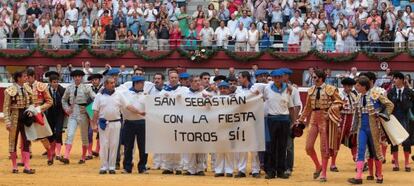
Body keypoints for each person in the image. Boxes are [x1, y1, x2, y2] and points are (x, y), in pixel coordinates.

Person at [296, 69, 343, 182]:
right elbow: (307, 107)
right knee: (308, 147)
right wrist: (301, 120)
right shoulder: (311, 90)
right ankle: (318, 166)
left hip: (325, 119)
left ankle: (324, 173)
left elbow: (340, 103)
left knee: (324, 147)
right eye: (313, 77)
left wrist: (330, 112)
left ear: (321, 78)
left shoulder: (330, 89)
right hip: (314, 118)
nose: (313, 79)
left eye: (315, 77)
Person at [347, 76, 394, 184]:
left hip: (374, 128)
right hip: (362, 128)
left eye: (358, 85)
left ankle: (380, 175)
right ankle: (358, 177)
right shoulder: (358, 97)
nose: (356, 87)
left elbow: (390, 105)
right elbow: (356, 115)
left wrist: (384, 115)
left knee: (377, 152)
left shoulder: (375, 94)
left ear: (364, 86)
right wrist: (353, 129)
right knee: (360, 150)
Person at [255, 69, 294, 179]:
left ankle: (280, 170)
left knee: (282, 146)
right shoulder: (267, 88)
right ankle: (270, 171)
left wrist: (294, 121)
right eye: (275, 77)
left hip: (285, 120)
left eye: (279, 77)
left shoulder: (288, 89)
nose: (277, 79)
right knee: (271, 146)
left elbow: (291, 107)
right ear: (272, 78)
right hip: (271, 120)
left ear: (282, 78)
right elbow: (257, 94)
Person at [61, 70, 96, 165]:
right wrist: (67, 108)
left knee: (84, 136)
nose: (77, 78)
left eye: (79, 76)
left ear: (81, 77)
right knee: (70, 134)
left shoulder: (86, 88)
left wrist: (89, 109)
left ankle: (83, 157)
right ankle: (66, 156)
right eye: (75, 76)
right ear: (73, 77)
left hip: (83, 114)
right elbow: (63, 100)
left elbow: (95, 99)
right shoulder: (69, 88)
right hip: (72, 114)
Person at [3, 70, 35, 174]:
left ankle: (27, 166)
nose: (26, 78)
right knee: (13, 141)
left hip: (25, 117)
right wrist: (7, 122)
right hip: (14, 118)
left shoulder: (27, 88)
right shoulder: (10, 90)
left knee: (26, 141)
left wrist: (30, 110)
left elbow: (32, 103)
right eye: (24, 76)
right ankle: (14, 166)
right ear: (18, 78)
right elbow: (6, 108)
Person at [92, 77, 124, 174]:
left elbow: (126, 106)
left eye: (114, 82)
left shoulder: (119, 94)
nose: (113, 84)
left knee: (114, 145)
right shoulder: (99, 96)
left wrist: (139, 112)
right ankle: (103, 166)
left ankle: (112, 167)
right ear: (105, 84)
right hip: (103, 123)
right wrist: (94, 124)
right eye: (110, 83)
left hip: (116, 123)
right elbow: (95, 111)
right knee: (104, 145)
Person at [234, 71, 260, 178]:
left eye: (240, 78)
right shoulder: (238, 90)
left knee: (254, 146)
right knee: (242, 146)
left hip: (253, 120)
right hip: (241, 120)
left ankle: (255, 170)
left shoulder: (255, 88)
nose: (238, 79)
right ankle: (242, 170)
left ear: (245, 78)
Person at [387, 72, 414, 172]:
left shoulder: (409, 92)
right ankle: (396, 163)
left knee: (406, 141)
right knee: (394, 141)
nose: (395, 80)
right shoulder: (391, 92)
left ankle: (407, 163)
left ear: (402, 80)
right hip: (394, 119)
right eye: (394, 78)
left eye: (397, 78)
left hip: (405, 118)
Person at [26, 69, 53, 165]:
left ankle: (50, 154)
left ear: (33, 76)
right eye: (25, 77)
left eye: (28, 77)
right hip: (27, 114)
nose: (26, 79)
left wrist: (39, 109)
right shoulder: (24, 86)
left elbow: (50, 101)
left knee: (42, 137)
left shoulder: (41, 86)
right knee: (25, 137)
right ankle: (26, 158)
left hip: (38, 114)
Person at [121, 76, 148, 174]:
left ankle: (142, 167)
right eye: (141, 83)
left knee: (144, 147)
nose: (143, 85)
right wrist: (139, 112)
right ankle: (127, 167)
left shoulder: (146, 94)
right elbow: (128, 106)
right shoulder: (125, 93)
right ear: (136, 83)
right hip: (129, 122)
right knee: (128, 147)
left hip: (142, 123)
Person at [331, 78, 358, 171]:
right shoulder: (339, 96)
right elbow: (335, 110)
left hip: (351, 120)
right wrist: (338, 124)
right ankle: (332, 164)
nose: (350, 88)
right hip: (342, 119)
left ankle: (357, 161)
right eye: (348, 86)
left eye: (351, 86)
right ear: (344, 86)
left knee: (353, 140)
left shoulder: (354, 95)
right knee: (337, 141)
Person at [214, 81, 235, 177]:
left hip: (230, 127)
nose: (222, 90)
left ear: (228, 89)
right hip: (217, 127)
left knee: (229, 150)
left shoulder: (234, 99)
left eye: (225, 88)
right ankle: (219, 170)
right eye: (221, 88)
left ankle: (229, 170)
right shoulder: (214, 99)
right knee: (219, 150)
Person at [45, 71, 66, 164]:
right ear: (50, 82)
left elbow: (66, 101)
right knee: (50, 133)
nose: (56, 83)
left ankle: (58, 153)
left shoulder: (62, 90)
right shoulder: (46, 90)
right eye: (54, 82)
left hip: (59, 113)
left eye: (57, 82)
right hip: (49, 113)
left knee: (58, 132)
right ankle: (52, 150)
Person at [88, 73, 103, 157]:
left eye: (96, 80)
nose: (94, 81)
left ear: (99, 80)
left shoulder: (103, 89)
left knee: (101, 132)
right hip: (91, 113)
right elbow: (87, 102)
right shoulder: (88, 89)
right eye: (93, 80)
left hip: (101, 113)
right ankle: (89, 152)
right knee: (90, 132)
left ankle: (98, 150)